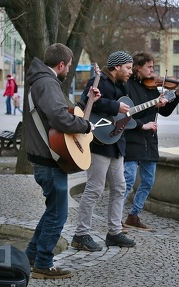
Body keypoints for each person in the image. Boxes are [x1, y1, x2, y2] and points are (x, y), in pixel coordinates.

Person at [24, 43, 101, 279]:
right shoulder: (46, 83)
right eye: (68, 66)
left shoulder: (43, 81)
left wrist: (85, 103)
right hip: (48, 161)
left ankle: (31, 256)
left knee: (52, 211)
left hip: (47, 158)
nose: (68, 70)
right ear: (60, 64)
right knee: (58, 214)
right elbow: (59, 118)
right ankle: (44, 264)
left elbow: (59, 113)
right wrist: (85, 125)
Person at [71, 51, 136, 251]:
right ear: (116, 67)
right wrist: (116, 106)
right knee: (94, 189)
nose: (130, 72)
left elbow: (123, 114)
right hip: (99, 144)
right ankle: (81, 235)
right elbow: (88, 101)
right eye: (128, 67)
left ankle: (114, 233)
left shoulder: (121, 85)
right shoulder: (98, 80)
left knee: (120, 188)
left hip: (116, 144)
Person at [122, 52, 179, 230]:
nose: (153, 71)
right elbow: (129, 113)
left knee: (148, 181)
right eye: (149, 67)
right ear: (138, 68)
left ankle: (134, 215)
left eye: (153, 67)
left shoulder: (153, 88)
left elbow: (165, 112)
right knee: (128, 181)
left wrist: (177, 92)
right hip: (132, 138)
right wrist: (150, 110)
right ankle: (115, 220)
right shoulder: (127, 86)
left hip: (149, 140)